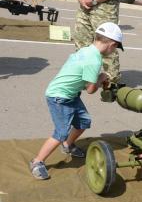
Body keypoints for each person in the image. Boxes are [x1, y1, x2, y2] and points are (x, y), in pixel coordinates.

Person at [30, 23, 125, 180]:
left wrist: (97, 77)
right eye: (115, 48)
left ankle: (67, 145)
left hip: (70, 95)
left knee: (83, 122)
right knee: (60, 132)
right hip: (59, 97)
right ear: (112, 44)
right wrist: (102, 77)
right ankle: (37, 162)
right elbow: (90, 90)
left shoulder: (87, 50)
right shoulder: (94, 61)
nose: (114, 51)